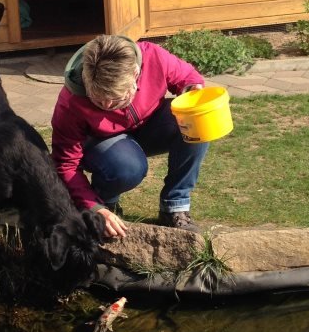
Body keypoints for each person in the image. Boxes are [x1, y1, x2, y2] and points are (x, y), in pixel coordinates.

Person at [50, 34, 209, 238]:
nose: (107, 105)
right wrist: (94, 206)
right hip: (103, 145)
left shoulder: (153, 56)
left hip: (148, 125)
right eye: (97, 98)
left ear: (135, 73)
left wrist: (192, 90)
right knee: (127, 167)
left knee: (196, 124)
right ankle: (106, 203)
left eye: (116, 98)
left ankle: (175, 207)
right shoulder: (69, 103)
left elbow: (188, 77)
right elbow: (66, 165)